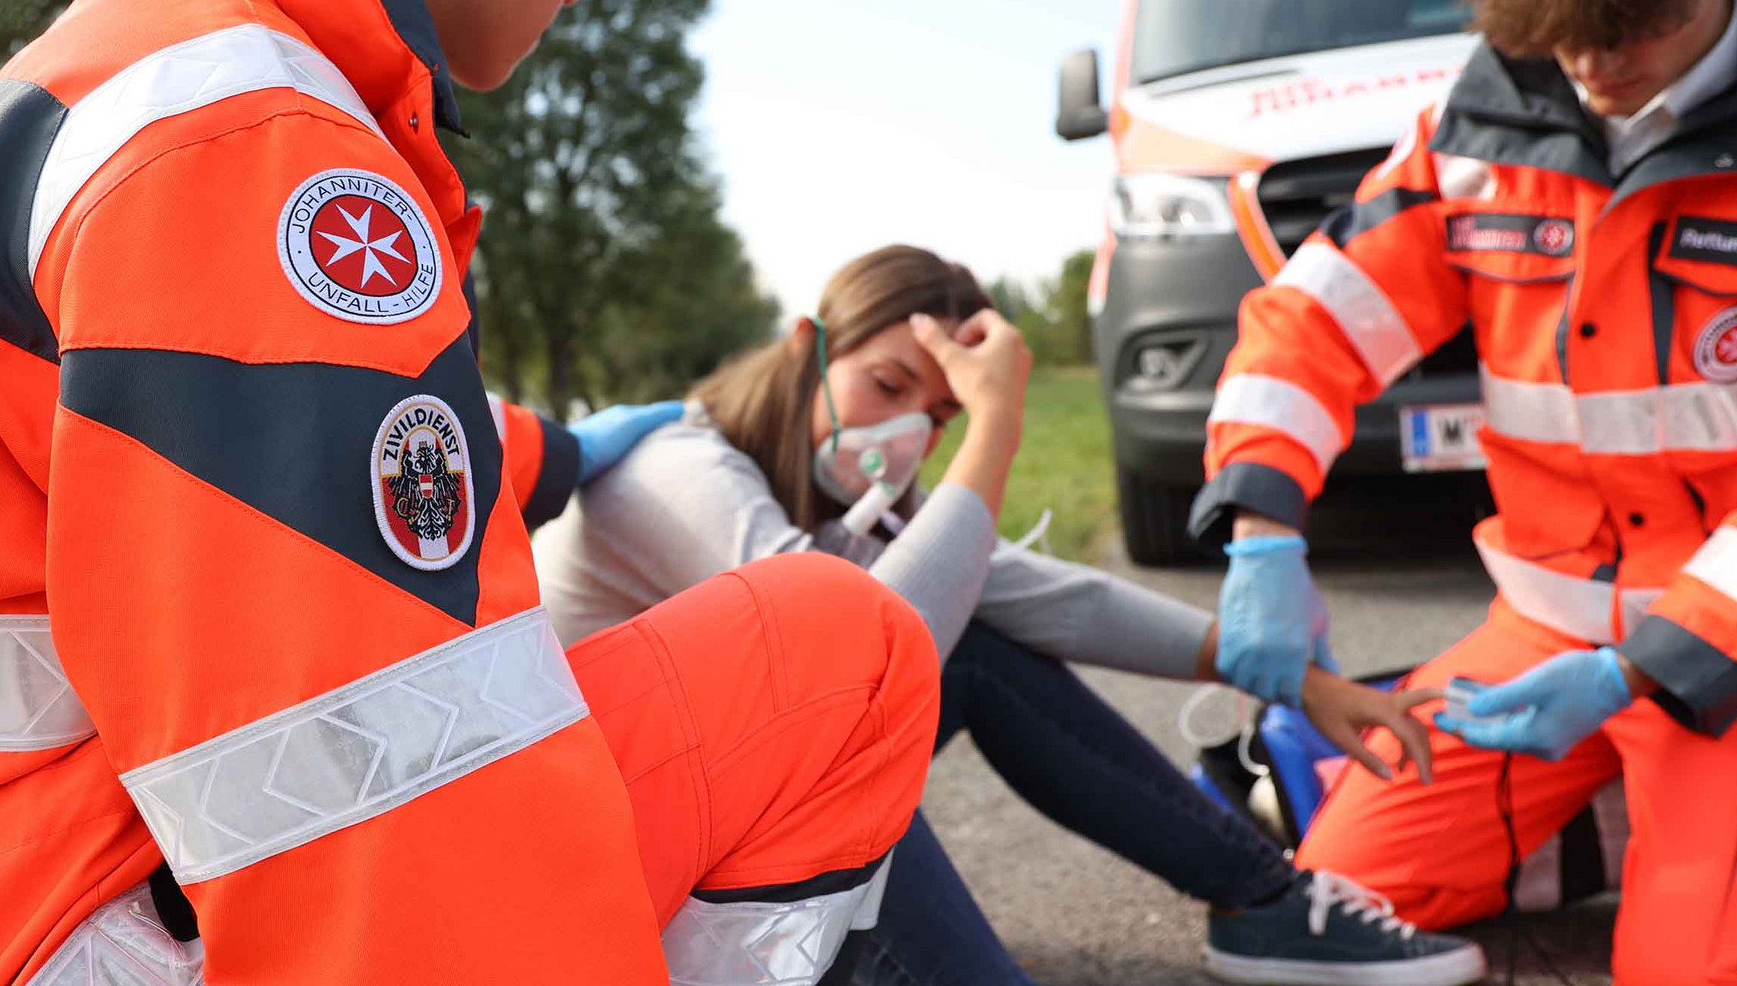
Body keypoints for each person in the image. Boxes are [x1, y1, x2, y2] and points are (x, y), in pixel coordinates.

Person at [0, 0, 945, 983]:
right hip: (67, 928)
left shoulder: (114, 68)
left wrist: (555, 453)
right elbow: (382, 819)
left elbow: (191, 474)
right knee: (840, 651)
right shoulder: (264, 148)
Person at [536, 244, 1488, 986]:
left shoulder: (830, 505)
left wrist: (1288, 673)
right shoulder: (677, 469)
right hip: (590, 877)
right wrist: (995, 427)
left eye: (942, 415)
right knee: (830, 734)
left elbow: (1044, 595)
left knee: (976, 645)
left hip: (696, 822)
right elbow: (845, 661)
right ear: (805, 346)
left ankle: (1265, 903)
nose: (909, 433)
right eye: (890, 385)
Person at [1192, 0, 1737, 986]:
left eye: (1628, 20)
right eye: (1560, 21)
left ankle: (1666, 818)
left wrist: (1646, 671)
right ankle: (1623, 814)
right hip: (1543, 637)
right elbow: (1312, 324)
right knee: (1333, 892)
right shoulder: (1480, 132)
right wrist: (1262, 531)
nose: (1589, 56)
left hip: (1722, 653)